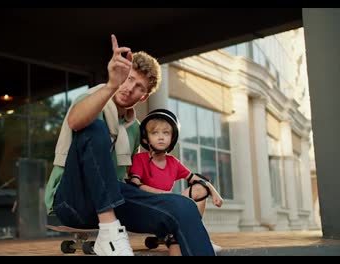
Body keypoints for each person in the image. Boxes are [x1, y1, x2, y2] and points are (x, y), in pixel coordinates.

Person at [44, 34, 215, 256]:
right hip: (73, 202)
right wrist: (112, 84)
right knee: (95, 128)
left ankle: (191, 237)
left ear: (144, 96)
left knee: (183, 207)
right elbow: (76, 122)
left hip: (115, 199)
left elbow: (128, 179)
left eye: (138, 86)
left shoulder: (135, 129)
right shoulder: (93, 99)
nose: (128, 88)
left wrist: (164, 199)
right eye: (128, 79)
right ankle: (110, 232)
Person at [128, 109, 224, 255]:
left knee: (200, 188)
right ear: (146, 138)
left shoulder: (173, 162)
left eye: (166, 133)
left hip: (169, 206)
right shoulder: (140, 159)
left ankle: (191, 232)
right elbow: (135, 185)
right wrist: (164, 194)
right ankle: (184, 235)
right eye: (155, 133)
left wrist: (213, 191)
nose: (161, 138)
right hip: (149, 207)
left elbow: (196, 179)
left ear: (172, 138)